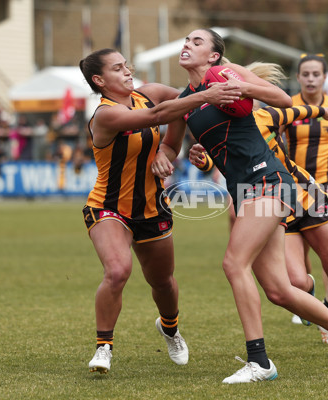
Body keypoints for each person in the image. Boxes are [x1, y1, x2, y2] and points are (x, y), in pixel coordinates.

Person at [153, 28, 328, 383]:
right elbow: (171, 145)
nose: (186, 45)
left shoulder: (229, 75)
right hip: (245, 189)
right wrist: (165, 157)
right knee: (278, 289)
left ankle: (259, 362)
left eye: (196, 42)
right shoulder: (187, 100)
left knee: (233, 264)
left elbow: (282, 99)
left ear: (214, 56)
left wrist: (239, 87)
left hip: (268, 182)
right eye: (185, 40)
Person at [78, 47, 243, 374]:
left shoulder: (149, 94)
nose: (128, 71)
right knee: (117, 271)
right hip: (107, 207)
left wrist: (169, 148)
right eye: (117, 68)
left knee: (163, 282)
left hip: (152, 207)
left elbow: (185, 107)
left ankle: (170, 329)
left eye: (127, 65)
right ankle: (103, 348)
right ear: (99, 80)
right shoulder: (104, 115)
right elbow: (160, 116)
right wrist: (206, 95)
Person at [188, 96, 328, 352]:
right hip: (277, 206)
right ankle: (313, 294)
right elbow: (222, 161)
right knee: (296, 284)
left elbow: (297, 111)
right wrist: (204, 161)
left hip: (306, 196)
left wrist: (325, 110)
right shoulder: (221, 131)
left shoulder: (265, 116)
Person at [283, 53, 328, 320]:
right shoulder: (286, 107)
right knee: (299, 245)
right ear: (298, 77)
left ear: (325, 77)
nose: (311, 79)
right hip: (296, 186)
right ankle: (305, 294)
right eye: (306, 74)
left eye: (316, 74)